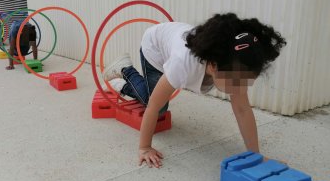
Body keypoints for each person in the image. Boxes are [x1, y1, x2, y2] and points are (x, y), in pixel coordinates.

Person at [102, 13, 286, 168]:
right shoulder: (183, 65)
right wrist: (144, 147)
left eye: (247, 82)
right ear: (213, 65)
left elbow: (243, 110)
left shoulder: (232, 66)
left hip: (175, 38)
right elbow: (152, 106)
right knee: (157, 106)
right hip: (154, 48)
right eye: (237, 82)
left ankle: (126, 78)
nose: (240, 88)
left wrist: (256, 157)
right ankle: (125, 71)